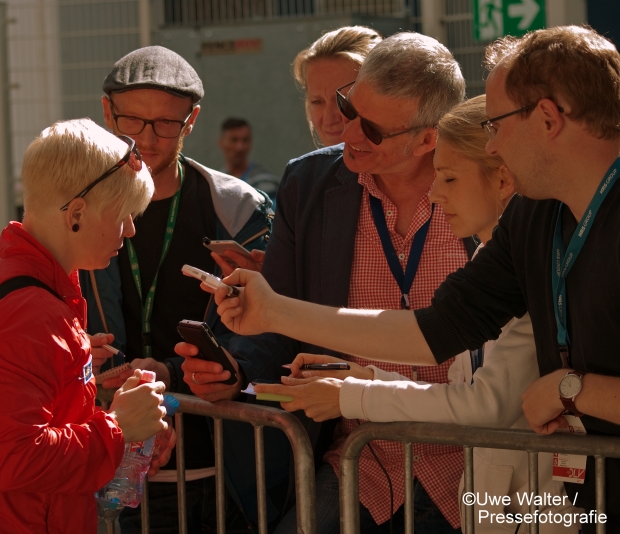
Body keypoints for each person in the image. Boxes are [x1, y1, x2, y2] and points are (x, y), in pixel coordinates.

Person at [208, 26, 620, 533]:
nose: (490, 144)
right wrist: (273, 312)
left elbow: (489, 397)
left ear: (549, 119)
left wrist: (571, 388)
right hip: (567, 501)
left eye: (495, 124)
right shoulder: (533, 218)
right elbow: (435, 330)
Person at [180, 32, 473, 533]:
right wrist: (234, 369)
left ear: (428, 138)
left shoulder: (487, 184)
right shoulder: (309, 184)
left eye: (373, 129)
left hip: (478, 467)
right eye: (344, 104)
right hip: (363, 463)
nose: (347, 130)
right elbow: (278, 311)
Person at [262, 96, 579, 533]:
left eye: (447, 177)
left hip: (533, 508)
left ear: (503, 178)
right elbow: (461, 381)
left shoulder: (522, 265)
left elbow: (484, 403)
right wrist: (366, 378)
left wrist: (351, 394)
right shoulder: (492, 259)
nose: (434, 193)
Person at [0, 118, 172, 534]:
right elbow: (16, 459)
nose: (130, 230)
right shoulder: (32, 310)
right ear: (76, 214)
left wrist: (73, 365)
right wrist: (118, 427)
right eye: (121, 216)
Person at [79, 45, 272, 533]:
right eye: (132, 121)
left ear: (192, 120)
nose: (146, 138)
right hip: (109, 457)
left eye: (166, 123)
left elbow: (265, 335)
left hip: (219, 461)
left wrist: (170, 372)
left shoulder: (236, 208)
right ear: (106, 110)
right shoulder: (72, 210)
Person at [210, 26, 381, 276]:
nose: (331, 117)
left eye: (345, 99)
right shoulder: (302, 182)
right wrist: (272, 278)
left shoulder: (435, 178)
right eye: (317, 102)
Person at [219, 117, 281, 198]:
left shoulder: (265, 183)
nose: (240, 147)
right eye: (234, 140)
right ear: (221, 143)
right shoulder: (217, 183)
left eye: (245, 140)